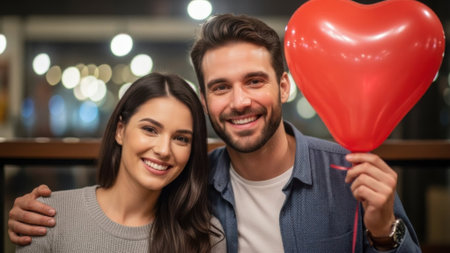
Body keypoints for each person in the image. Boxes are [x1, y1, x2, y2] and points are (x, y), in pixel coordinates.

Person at [8, 14, 420, 252]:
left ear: (284, 86)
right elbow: (118, 217)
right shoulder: (187, 181)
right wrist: (43, 213)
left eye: (254, 81)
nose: (239, 101)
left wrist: (384, 231)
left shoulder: (345, 173)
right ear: (205, 102)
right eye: (221, 87)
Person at [13, 72, 226, 252]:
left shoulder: (205, 237)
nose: (163, 150)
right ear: (120, 130)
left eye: (181, 138)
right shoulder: (46, 216)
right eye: (150, 130)